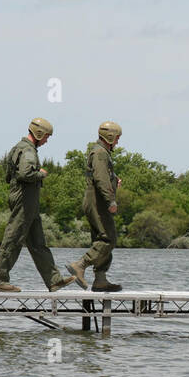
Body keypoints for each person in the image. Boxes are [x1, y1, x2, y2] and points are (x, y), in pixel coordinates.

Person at [0, 118, 80, 293]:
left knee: (38, 243)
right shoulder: (28, 150)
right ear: (38, 134)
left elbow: (10, 174)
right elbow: (25, 173)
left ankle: (54, 281)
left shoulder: (20, 147)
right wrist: (41, 174)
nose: (47, 140)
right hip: (25, 200)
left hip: (26, 200)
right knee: (13, 239)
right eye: (46, 136)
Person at [67, 121, 124, 293]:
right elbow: (100, 179)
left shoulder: (100, 152)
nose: (118, 142)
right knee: (108, 239)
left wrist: (114, 180)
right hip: (98, 202)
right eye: (117, 138)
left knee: (101, 240)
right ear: (110, 136)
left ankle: (100, 280)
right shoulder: (100, 153)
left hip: (95, 201)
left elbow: (103, 176)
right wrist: (111, 201)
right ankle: (80, 265)